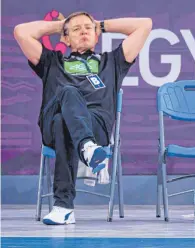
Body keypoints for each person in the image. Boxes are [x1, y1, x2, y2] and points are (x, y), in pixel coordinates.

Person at [14, 11, 152, 225]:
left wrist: (101, 25)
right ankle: (87, 148)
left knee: (64, 122)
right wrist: (62, 25)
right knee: (68, 93)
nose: (84, 31)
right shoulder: (52, 62)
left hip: (95, 126)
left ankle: (63, 207)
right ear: (66, 39)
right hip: (52, 125)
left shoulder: (112, 62)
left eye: (88, 28)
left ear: (97, 35)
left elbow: (145, 24)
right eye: (76, 30)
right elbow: (21, 32)